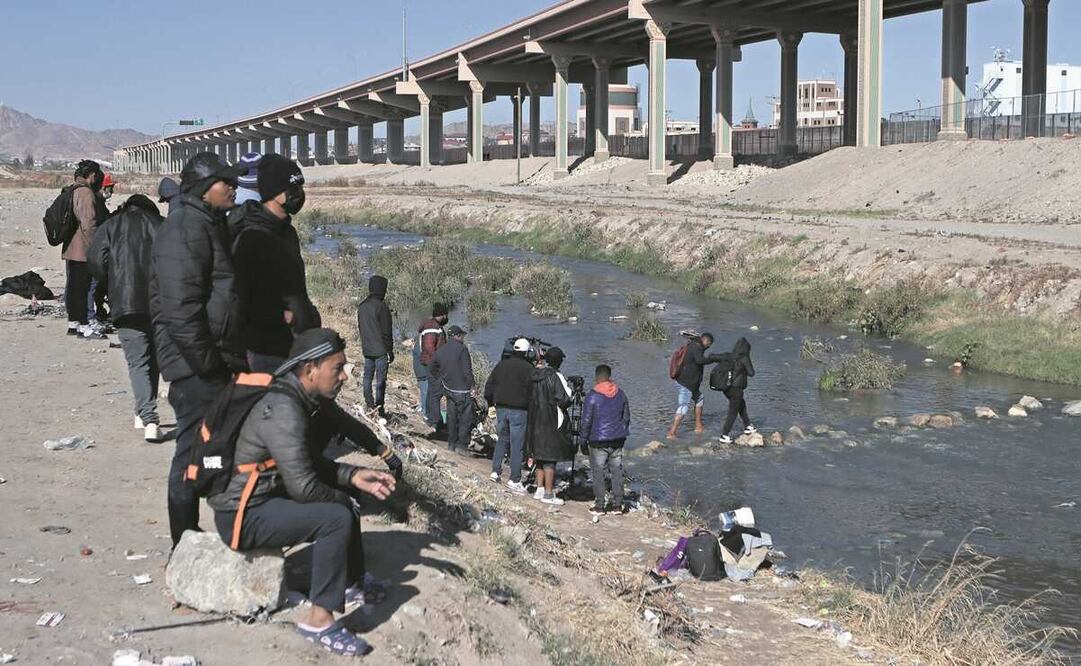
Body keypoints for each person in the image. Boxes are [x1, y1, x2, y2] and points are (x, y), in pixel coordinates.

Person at [208, 328, 396, 658]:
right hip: (241, 515)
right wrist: (344, 498)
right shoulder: (283, 408)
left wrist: (353, 477)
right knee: (337, 516)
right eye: (337, 368)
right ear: (310, 370)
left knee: (343, 501)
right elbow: (303, 485)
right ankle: (319, 622)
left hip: (263, 501)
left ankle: (351, 582)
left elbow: (307, 464)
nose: (344, 377)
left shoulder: (298, 398)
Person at [150, 151, 247, 547]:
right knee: (191, 452)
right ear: (205, 188)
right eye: (228, 184)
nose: (235, 190)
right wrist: (207, 364)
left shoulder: (204, 222)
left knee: (208, 451)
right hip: (194, 364)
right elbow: (180, 309)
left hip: (207, 358)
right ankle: (183, 544)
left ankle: (198, 537)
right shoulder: (186, 227)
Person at [230, 154, 320, 373]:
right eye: (293, 189)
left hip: (293, 343)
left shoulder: (287, 232)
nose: (299, 195)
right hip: (264, 351)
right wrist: (281, 317)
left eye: (300, 187)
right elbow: (240, 296)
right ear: (273, 193)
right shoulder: (251, 234)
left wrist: (307, 314)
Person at [87, 194, 164, 442]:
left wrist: (111, 283)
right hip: (159, 303)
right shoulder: (161, 225)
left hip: (125, 302)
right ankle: (144, 414)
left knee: (137, 361)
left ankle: (146, 416)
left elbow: (96, 261)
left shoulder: (111, 226)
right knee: (153, 360)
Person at [62, 160, 107, 339]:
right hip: (83, 251)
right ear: (93, 175)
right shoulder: (86, 193)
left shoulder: (72, 190)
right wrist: (96, 248)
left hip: (71, 248)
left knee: (73, 288)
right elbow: (89, 224)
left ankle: (73, 324)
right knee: (83, 289)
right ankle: (84, 326)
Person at [484, 337, 534, 492]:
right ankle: (514, 479)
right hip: (519, 410)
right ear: (526, 352)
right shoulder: (529, 368)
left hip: (501, 408)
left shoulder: (501, 365)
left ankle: (495, 471)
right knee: (517, 445)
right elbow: (533, 393)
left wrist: (491, 403)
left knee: (502, 440)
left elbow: (489, 386)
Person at [580, 364, 630, 516]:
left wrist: (583, 440)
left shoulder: (592, 396)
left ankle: (600, 506)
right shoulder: (620, 393)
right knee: (616, 471)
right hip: (617, 439)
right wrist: (622, 432)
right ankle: (617, 505)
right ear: (609, 376)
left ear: (597, 377)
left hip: (598, 441)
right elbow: (626, 417)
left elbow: (586, 421)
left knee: (598, 472)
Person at [525, 346, 573, 505]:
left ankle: (539, 489)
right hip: (551, 419)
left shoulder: (534, 374)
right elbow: (564, 399)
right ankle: (548, 494)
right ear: (559, 362)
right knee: (550, 458)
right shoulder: (556, 376)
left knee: (539, 455)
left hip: (535, 418)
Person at [666, 332, 719, 440]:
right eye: (708, 346)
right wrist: (712, 358)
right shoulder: (697, 347)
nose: (708, 348)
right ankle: (672, 432)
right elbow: (700, 360)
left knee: (700, 398)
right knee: (683, 407)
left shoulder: (692, 344)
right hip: (686, 384)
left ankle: (698, 426)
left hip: (688, 383)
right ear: (706, 342)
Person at [430, 325, 474, 454]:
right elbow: (467, 371)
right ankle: (462, 446)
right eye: (461, 335)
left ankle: (451, 444)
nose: (462, 338)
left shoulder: (441, 350)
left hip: (448, 389)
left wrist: (441, 377)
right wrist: (473, 386)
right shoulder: (462, 349)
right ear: (456, 336)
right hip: (463, 390)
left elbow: (432, 368)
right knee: (465, 419)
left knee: (452, 417)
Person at [356, 275, 393, 418]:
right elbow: (386, 332)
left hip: (367, 349)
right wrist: (390, 351)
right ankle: (379, 408)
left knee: (367, 378)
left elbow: (361, 328)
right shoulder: (381, 307)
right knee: (380, 381)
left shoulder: (362, 306)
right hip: (380, 350)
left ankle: (369, 403)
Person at [412, 303, 447, 425]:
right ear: (442, 315)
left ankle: (429, 415)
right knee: (431, 391)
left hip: (426, 363)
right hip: (430, 364)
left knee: (429, 390)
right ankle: (431, 417)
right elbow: (429, 347)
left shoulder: (429, 326)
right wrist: (438, 362)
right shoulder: (433, 327)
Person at [718, 337, 757, 445]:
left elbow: (715, 357)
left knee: (741, 404)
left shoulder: (730, 356)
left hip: (727, 388)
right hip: (736, 388)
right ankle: (724, 435)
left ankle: (748, 426)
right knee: (733, 412)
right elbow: (751, 373)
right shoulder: (744, 358)